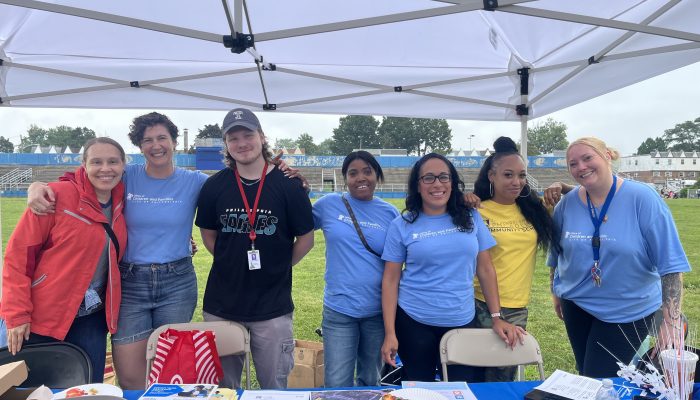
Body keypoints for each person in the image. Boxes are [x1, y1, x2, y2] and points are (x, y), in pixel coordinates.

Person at [26, 112, 209, 389]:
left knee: (171, 370)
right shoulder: (126, 176)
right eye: (147, 140)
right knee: (131, 375)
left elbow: (234, 187)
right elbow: (81, 179)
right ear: (139, 146)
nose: (156, 145)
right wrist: (37, 187)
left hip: (177, 283)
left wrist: (288, 176)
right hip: (129, 282)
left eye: (162, 138)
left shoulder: (196, 182)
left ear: (174, 142)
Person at [547, 137, 691, 378]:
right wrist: (556, 291)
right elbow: (556, 252)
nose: (581, 167)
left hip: (627, 311)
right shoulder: (567, 204)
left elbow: (671, 264)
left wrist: (672, 321)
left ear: (607, 155)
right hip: (576, 305)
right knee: (586, 374)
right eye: (573, 163)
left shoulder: (642, 198)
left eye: (587, 158)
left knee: (597, 378)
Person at [195, 107, 314, 389]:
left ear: (261, 137)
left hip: (273, 306)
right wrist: (230, 262)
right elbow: (208, 235)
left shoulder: (289, 185)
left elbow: (306, 240)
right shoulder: (214, 186)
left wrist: (278, 266)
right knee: (222, 388)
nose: (242, 143)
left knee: (275, 386)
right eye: (233, 138)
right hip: (223, 304)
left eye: (248, 134)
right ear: (226, 144)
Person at [380, 153, 524, 382]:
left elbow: (485, 269)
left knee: (461, 389)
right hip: (414, 323)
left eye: (443, 177)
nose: (437, 184)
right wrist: (390, 333)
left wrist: (497, 317)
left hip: (462, 322)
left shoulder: (470, 217)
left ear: (452, 182)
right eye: (428, 178)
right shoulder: (402, 224)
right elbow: (390, 280)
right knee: (420, 391)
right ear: (417, 185)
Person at [0, 137, 127, 383]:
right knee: (29, 387)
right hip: (42, 314)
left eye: (113, 161)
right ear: (83, 165)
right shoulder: (55, 196)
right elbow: (18, 258)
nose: (105, 168)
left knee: (87, 388)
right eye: (96, 162)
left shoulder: (124, 199)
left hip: (91, 318)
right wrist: (16, 313)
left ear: (124, 165)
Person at [465, 136, 557, 382]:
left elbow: (580, 195)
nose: (517, 182)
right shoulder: (476, 210)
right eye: (508, 175)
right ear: (491, 176)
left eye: (522, 175)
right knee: (473, 372)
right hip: (478, 303)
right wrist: (461, 200)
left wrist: (560, 185)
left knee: (502, 375)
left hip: (517, 307)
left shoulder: (534, 210)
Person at [312, 151, 399, 387]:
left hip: (377, 312)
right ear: (345, 179)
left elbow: (399, 261)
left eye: (367, 171)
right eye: (353, 173)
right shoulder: (328, 205)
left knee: (371, 380)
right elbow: (295, 223)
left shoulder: (390, 213)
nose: (361, 178)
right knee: (337, 382)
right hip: (339, 311)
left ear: (377, 175)